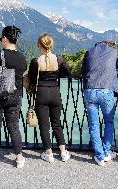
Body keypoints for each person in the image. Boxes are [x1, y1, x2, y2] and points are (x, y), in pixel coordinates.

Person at [0, 25, 27, 169]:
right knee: (14, 127)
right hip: (15, 96)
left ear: (5, 39)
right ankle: (19, 158)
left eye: (2, 38)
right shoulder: (22, 57)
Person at [28, 33, 71, 163]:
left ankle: (49, 154)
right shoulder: (59, 59)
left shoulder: (36, 61)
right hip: (55, 93)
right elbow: (68, 73)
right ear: (51, 44)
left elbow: (31, 77)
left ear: (39, 45)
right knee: (57, 124)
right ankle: (63, 152)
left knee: (44, 125)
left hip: (41, 93)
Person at [82, 41, 118, 166]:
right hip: (106, 90)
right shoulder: (113, 52)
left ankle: (99, 157)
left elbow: (83, 70)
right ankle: (107, 152)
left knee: (94, 125)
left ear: (96, 45)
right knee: (109, 122)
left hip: (90, 90)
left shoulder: (89, 52)